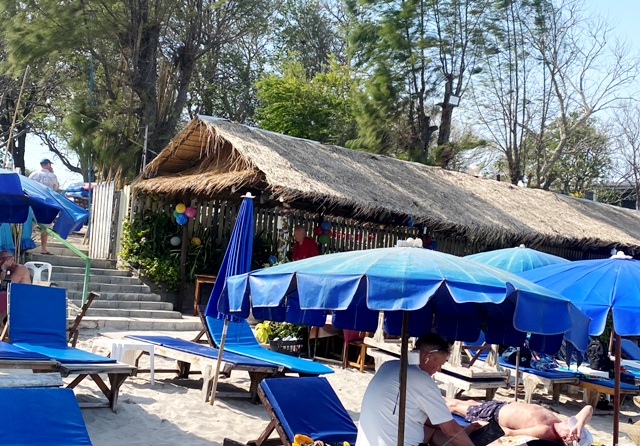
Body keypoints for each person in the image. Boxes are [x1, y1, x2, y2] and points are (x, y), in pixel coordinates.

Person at [356, 333, 475, 446]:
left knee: (432, 431)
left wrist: (460, 430)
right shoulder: (422, 380)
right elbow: (451, 431)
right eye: (440, 364)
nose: (439, 369)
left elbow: (429, 418)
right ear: (427, 357)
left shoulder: (388, 365)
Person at [445, 398, 593, 444]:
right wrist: (579, 425)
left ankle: (432, 399)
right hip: (502, 405)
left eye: (570, 439)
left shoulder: (545, 431)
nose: (569, 438)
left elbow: (510, 433)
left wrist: (487, 426)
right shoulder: (559, 423)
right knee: (467, 402)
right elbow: (588, 408)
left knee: (454, 406)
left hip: (492, 415)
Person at [28, 158, 59, 255]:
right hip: (46, 204)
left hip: (33, 203)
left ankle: (22, 246)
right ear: (47, 164)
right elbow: (56, 188)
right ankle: (43, 249)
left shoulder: (33, 174)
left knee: (29, 226)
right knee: (45, 228)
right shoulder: (52, 176)